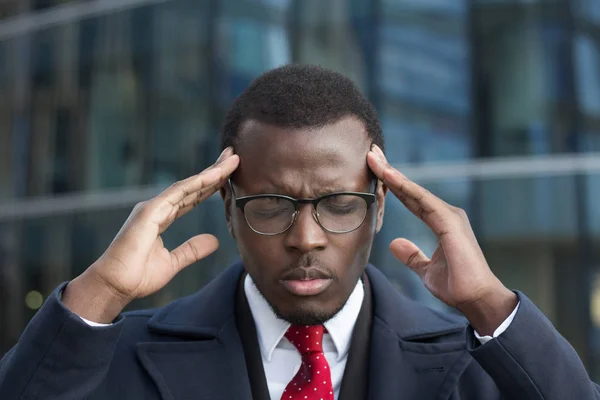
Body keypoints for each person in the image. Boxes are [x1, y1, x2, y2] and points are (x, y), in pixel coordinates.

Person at [0, 65, 597, 400]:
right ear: (228, 206)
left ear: (381, 204)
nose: (306, 239)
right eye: (270, 204)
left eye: (339, 204)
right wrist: (100, 292)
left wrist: (490, 307)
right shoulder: (114, 361)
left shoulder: (480, 365)